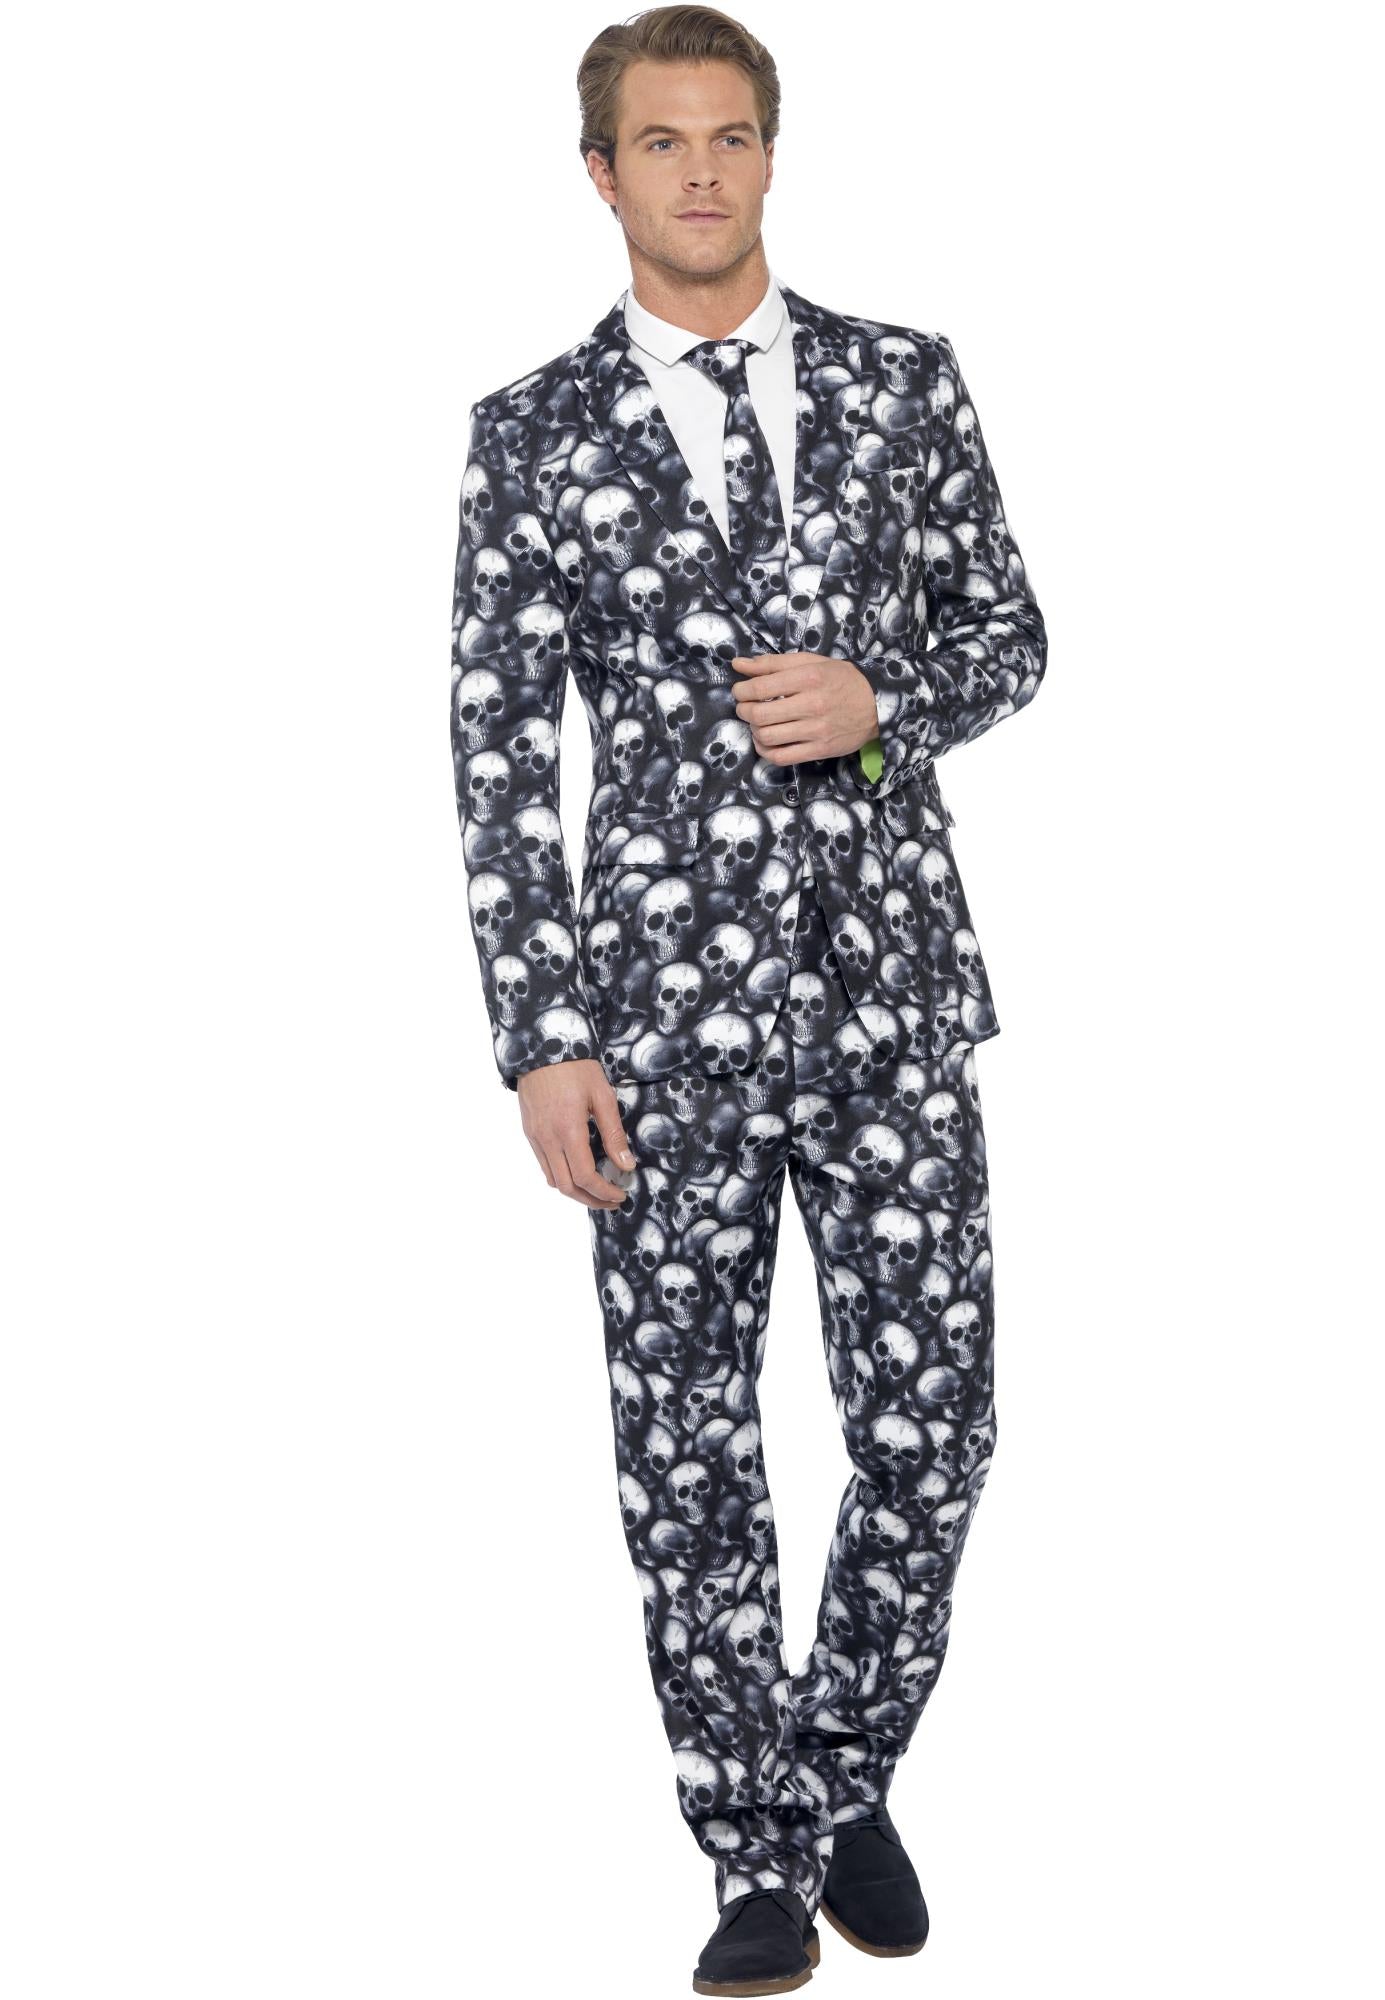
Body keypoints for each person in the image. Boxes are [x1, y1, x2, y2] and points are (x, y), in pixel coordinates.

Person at [447, 8, 1047, 1992]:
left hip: (892, 998)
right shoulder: (531, 432)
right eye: (659, 142)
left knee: (934, 1425)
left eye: (728, 136)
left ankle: (840, 1771)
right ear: (600, 174)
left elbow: (1009, 632)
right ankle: (755, 1860)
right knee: (689, 1449)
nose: (699, 171)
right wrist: (541, 1032)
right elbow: (498, 753)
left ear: (771, 157)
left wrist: (886, 701)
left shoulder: (902, 380)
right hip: (652, 1026)